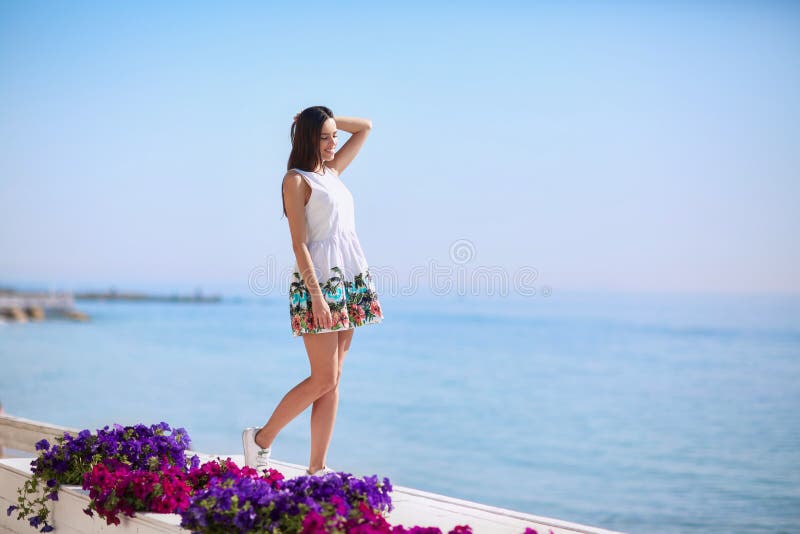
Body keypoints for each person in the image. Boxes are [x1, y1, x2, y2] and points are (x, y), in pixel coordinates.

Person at [243, 106, 384, 477]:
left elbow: (366, 126)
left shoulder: (333, 172)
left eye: (334, 135)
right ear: (306, 137)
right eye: (324, 136)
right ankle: (260, 439)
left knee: (334, 379)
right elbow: (299, 243)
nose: (332, 142)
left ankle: (317, 468)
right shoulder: (296, 180)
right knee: (323, 377)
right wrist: (317, 295)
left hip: (348, 278)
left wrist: (323, 114)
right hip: (317, 284)